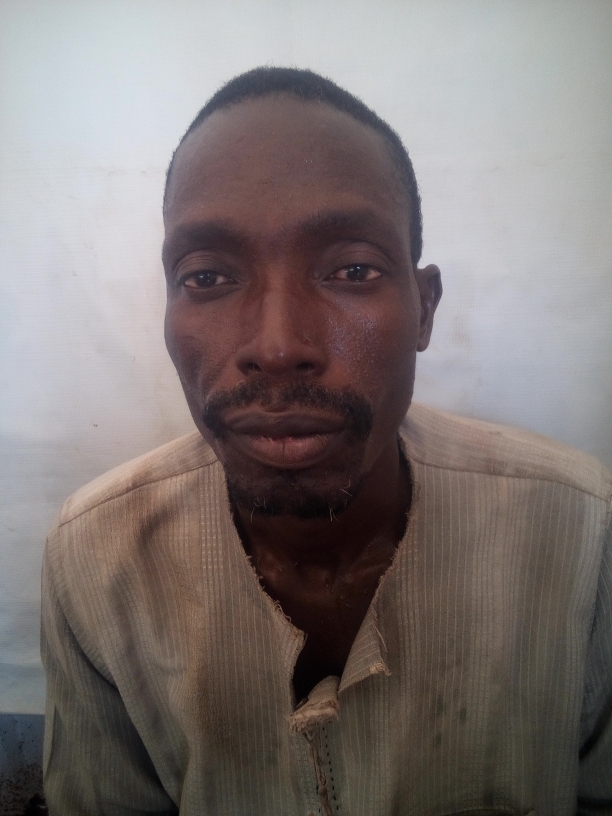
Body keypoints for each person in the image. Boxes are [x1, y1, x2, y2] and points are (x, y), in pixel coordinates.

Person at [41, 67, 612, 816]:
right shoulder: (95, 559)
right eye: (207, 277)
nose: (278, 348)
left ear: (424, 309)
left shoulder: (582, 537)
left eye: (352, 269)